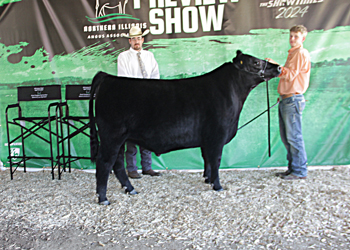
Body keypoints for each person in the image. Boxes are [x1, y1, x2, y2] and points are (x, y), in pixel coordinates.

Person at [266, 25, 311, 180]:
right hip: (287, 99)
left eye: (296, 36)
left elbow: (290, 75)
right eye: (291, 36)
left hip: (292, 99)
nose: (292, 39)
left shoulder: (300, 53)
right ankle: (293, 168)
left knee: (294, 136)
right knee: (287, 136)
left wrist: (275, 66)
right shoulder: (294, 53)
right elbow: (292, 77)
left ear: (303, 38)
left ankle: (299, 171)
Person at [117, 26, 161, 179]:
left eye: (139, 38)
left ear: (143, 40)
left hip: (148, 100)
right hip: (132, 100)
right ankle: (131, 168)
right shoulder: (123, 57)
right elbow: (124, 79)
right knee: (131, 135)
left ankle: (147, 167)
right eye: (133, 39)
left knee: (147, 134)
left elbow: (155, 75)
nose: (137, 41)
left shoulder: (149, 56)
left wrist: (152, 93)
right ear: (130, 41)